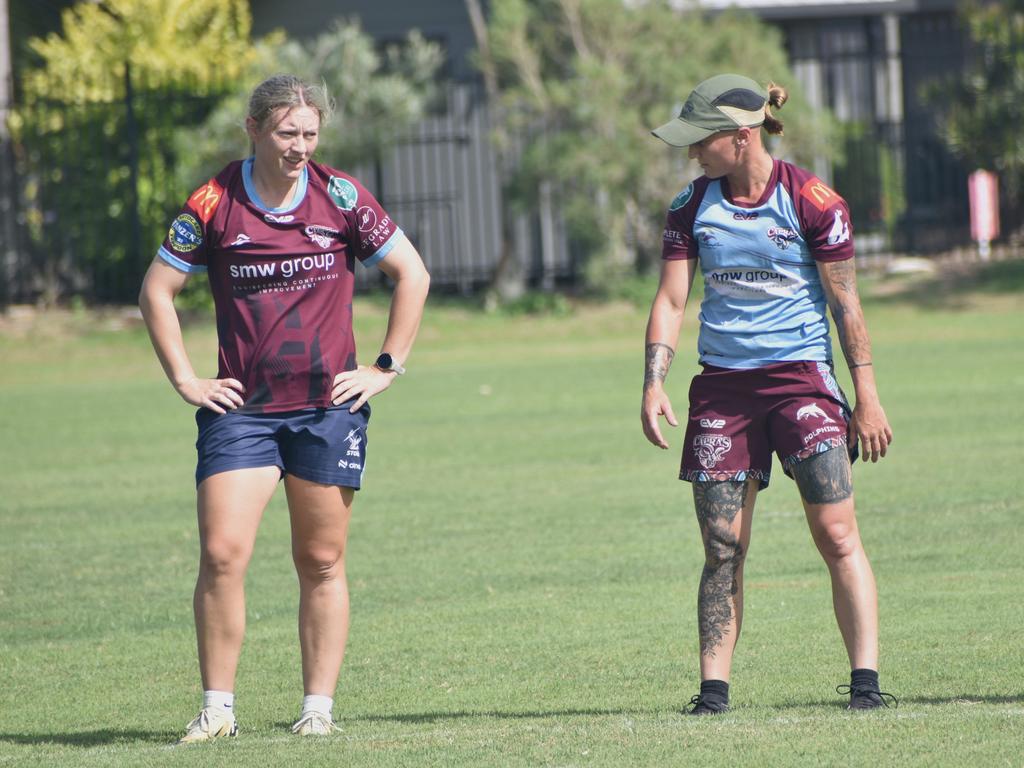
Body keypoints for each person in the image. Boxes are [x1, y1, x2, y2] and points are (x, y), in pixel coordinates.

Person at [139, 74, 430, 742]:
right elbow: (157, 291)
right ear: (254, 130)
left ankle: (317, 711)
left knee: (322, 560)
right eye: (286, 133)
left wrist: (385, 367)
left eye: (309, 134)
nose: (300, 146)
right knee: (221, 553)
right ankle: (217, 710)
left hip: (327, 411)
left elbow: (411, 274)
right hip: (241, 413)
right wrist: (186, 379)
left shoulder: (341, 197)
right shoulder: (214, 201)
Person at [641, 74, 896, 714]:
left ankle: (865, 685)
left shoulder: (814, 201)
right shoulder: (689, 206)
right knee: (723, 546)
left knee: (837, 535)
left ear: (740, 135)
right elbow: (672, 300)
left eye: (701, 141)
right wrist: (653, 381)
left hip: (802, 382)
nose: (693, 153)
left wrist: (866, 396)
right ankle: (712, 694)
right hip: (723, 392)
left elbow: (846, 305)